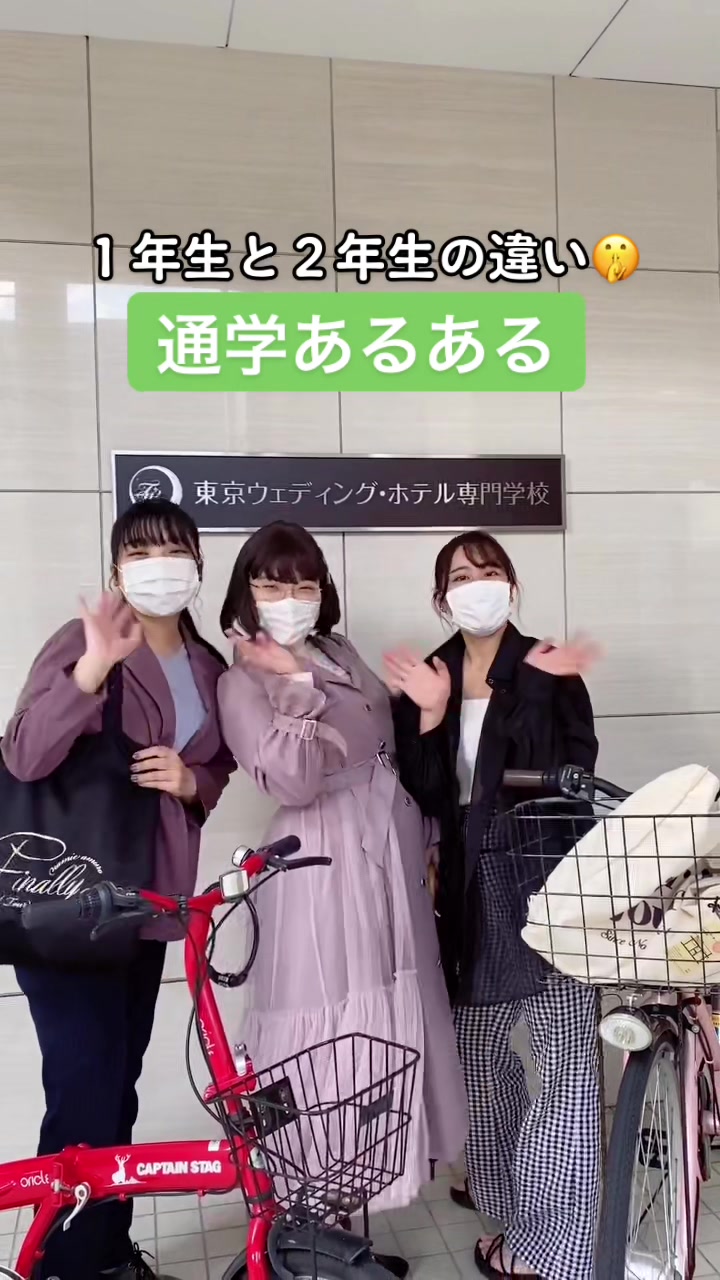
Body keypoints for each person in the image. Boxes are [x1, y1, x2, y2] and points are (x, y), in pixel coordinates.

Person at [217, 521, 467, 1276]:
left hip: (387, 846)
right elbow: (291, 782)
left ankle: (345, 1223)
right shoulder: (241, 679)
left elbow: (381, 745)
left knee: (382, 1029)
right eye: (271, 582)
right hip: (321, 861)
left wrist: (423, 832)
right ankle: (306, 1230)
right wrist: (292, 687)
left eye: (304, 582)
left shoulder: (337, 649)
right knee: (328, 1029)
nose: (289, 597)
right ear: (246, 590)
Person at [2, 498, 235, 1280]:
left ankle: (102, 1252)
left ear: (197, 564)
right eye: (140, 551)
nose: (158, 564)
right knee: (83, 1094)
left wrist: (192, 781)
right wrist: (93, 670)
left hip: (149, 905)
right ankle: (65, 1267)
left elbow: (219, 766)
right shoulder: (82, 642)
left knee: (116, 1088)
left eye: (173, 549)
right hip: (70, 908)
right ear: (116, 568)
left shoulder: (208, 665)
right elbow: (25, 755)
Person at [385, 530, 602, 1280]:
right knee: (478, 1063)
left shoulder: (548, 666)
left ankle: (549, 1246)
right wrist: (431, 715)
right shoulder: (432, 673)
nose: (477, 584)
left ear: (511, 584)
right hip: (467, 889)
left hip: (549, 879)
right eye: (461, 575)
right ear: (441, 597)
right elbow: (418, 793)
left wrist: (535, 687)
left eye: (490, 570)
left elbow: (568, 777)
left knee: (567, 1064)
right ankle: (504, 1202)